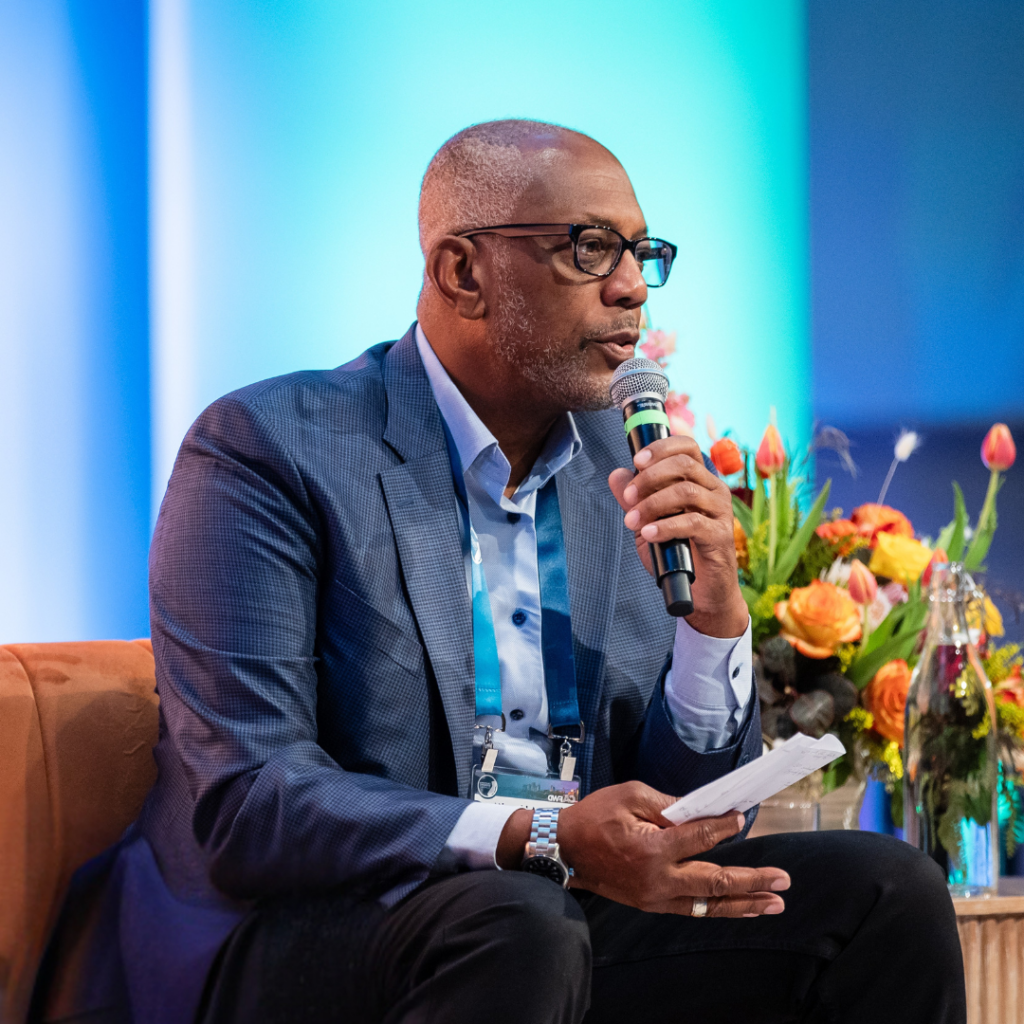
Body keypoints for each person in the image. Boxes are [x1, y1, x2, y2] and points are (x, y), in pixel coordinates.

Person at [36, 120, 965, 1024]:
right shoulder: (272, 448)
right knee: (521, 923)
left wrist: (714, 622)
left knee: (887, 895)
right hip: (305, 931)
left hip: (550, 917)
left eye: (645, 254)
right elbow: (250, 801)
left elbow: (685, 813)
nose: (634, 290)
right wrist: (543, 836)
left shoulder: (622, 464)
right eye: (591, 248)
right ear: (463, 272)